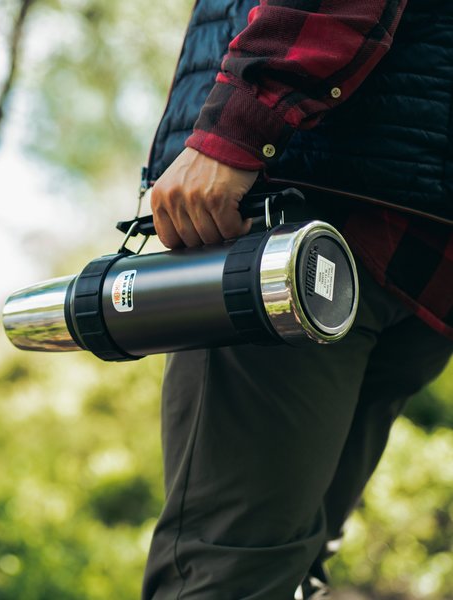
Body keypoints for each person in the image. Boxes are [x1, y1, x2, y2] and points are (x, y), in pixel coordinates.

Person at [140, 0, 453, 598]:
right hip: (423, 257)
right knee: (288, 571)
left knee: (226, 570)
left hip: (301, 206)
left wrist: (236, 127)